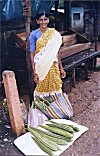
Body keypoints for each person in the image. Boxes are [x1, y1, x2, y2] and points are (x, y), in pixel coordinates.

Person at [29, 11, 73, 119]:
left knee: (55, 86)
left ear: (48, 20)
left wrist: (61, 68)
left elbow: (57, 52)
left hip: (53, 66)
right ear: (37, 21)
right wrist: (34, 71)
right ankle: (44, 113)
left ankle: (58, 112)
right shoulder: (34, 35)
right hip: (40, 67)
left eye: (45, 19)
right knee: (41, 87)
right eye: (41, 20)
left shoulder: (54, 34)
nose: (43, 22)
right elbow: (32, 54)